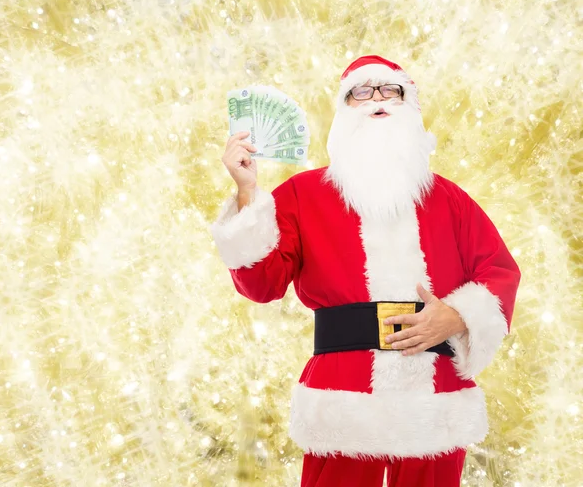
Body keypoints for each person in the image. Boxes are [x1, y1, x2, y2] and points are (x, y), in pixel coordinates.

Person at [210, 55, 521, 487]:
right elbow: (261, 285)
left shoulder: (450, 200)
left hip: (434, 398)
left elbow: (499, 270)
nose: (377, 99)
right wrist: (246, 194)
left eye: (390, 90)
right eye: (362, 91)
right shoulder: (303, 195)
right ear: (344, 110)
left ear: (410, 108)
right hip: (342, 397)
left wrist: (457, 315)